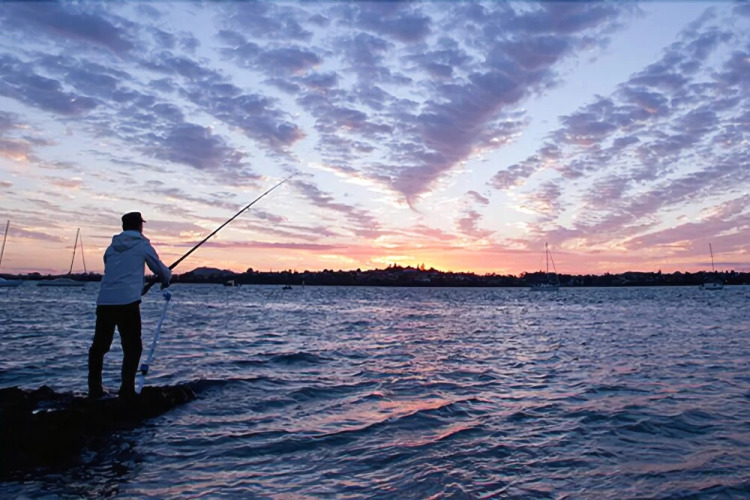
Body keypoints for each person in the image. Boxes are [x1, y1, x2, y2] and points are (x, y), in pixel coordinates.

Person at [88, 212, 171, 399]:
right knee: (132, 347)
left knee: (99, 347)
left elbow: (115, 273)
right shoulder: (142, 245)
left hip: (105, 302)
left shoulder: (111, 248)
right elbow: (161, 270)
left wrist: (138, 288)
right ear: (139, 226)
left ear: (124, 226)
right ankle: (127, 390)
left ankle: (94, 389)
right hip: (128, 304)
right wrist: (166, 279)